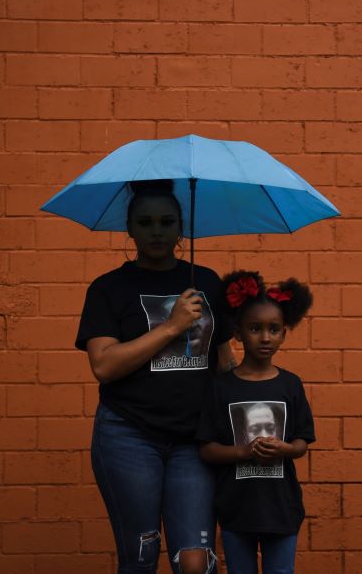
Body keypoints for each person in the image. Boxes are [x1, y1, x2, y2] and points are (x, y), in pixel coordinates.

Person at [75, 179, 236, 574]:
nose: (157, 231)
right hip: (128, 435)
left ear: (181, 227)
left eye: (167, 221)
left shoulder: (207, 282)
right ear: (129, 228)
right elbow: (105, 366)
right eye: (145, 222)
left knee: (197, 562)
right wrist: (171, 326)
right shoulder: (108, 289)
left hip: (193, 441)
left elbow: (225, 362)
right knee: (141, 558)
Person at [197, 271, 315, 574]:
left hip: (282, 508)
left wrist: (284, 449)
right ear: (237, 332)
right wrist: (243, 452)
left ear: (284, 333)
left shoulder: (291, 385)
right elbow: (207, 449)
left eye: (274, 329)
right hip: (237, 508)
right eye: (255, 328)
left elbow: (302, 443)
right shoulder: (221, 387)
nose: (265, 337)